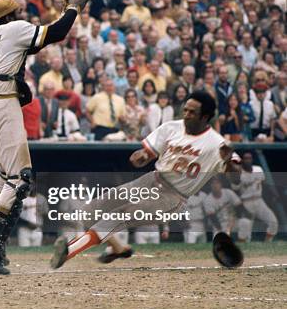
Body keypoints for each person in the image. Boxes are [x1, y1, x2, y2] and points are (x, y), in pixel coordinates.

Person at [0, 0, 94, 275]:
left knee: (6, 176)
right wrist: (73, 8)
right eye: (17, 11)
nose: (21, 14)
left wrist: (21, 86)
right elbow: (57, 33)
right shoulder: (13, 29)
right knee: (21, 179)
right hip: (2, 107)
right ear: (8, 17)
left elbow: (4, 73)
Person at [51, 91, 241, 269]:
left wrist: (228, 160)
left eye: (193, 111)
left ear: (205, 117)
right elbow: (146, 155)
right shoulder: (171, 127)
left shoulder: (217, 143)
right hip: (149, 180)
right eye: (185, 109)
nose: (187, 114)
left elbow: (236, 175)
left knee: (117, 216)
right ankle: (119, 248)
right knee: (90, 211)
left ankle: (68, 252)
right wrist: (141, 156)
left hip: (172, 197)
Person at [232, 153, 278, 242]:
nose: (248, 160)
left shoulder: (258, 169)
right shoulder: (238, 174)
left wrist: (273, 194)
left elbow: (264, 183)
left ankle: (267, 243)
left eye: (249, 158)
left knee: (273, 222)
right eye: (245, 158)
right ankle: (245, 250)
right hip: (246, 202)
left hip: (259, 200)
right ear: (242, 161)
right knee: (246, 231)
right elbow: (235, 190)